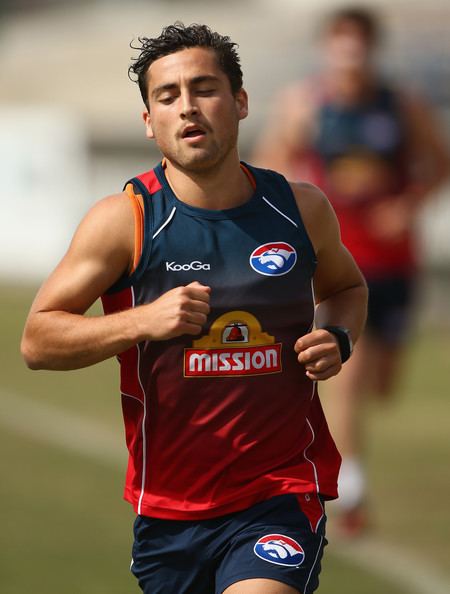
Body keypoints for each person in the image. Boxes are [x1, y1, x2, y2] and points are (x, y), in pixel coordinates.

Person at [21, 23, 367, 594]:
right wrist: (142, 320)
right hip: (168, 511)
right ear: (149, 121)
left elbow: (347, 290)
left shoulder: (300, 209)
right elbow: (37, 340)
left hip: (277, 494)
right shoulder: (123, 220)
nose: (188, 107)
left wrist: (339, 339)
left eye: (204, 88)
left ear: (240, 102)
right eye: (168, 96)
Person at [253, 6, 450, 536]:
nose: (349, 55)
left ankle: (354, 470)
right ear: (328, 50)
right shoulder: (305, 104)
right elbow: (270, 165)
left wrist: (408, 206)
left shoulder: (401, 105)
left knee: (384, 382)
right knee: (349, 377)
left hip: (394, 263)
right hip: (336, 264)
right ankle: (353, 490)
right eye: (340, 43)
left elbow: (440, 163)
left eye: (359, 44)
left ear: (371, 50)